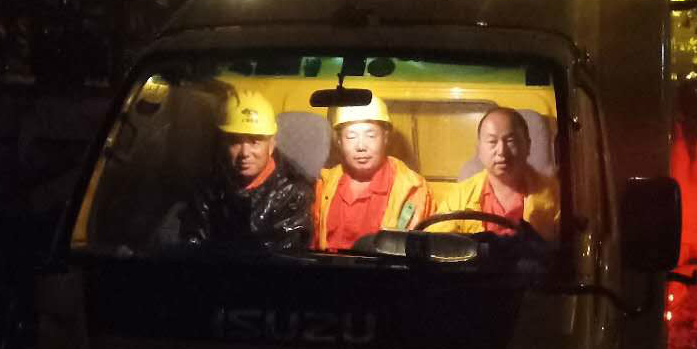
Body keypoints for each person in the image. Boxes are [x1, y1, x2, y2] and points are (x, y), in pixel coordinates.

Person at [180, 88, 313, 250]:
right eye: (235, 141)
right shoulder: (208, 186)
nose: (244, 153)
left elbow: (285, 255)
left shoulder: (293, 193)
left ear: (271, 145)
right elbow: (192, 242)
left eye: (255, 141)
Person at [311, 95, 433, 251]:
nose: (361, 146)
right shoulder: (323, 187)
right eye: (351, 136)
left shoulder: (414, 191)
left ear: (385, 137)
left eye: (370, 135)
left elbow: (422, 251)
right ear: (339, 142)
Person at [435, 107, 559, 240]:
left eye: (510, 141)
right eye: (492, 142)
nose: (501, 151)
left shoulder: (554, 194)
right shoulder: (460, 197)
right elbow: (435, 242)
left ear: (527, 146)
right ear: (479, 149)